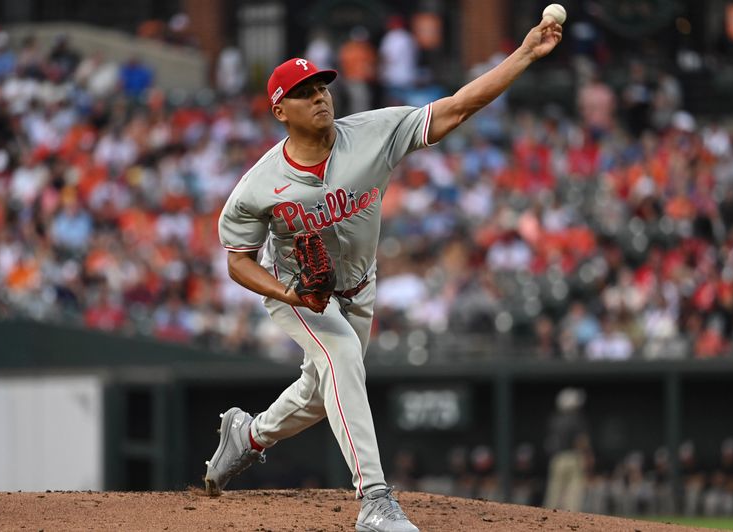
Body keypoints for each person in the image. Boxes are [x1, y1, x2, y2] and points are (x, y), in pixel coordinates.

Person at [205, 17, 562, 532]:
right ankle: (375, 499)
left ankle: (250, 434)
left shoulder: (373, 132)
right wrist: (287, 291)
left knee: (319, 390)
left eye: (322, 86)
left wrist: (525, 54)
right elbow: (238, 259)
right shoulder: (258, 186)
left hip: (358, 285)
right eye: (304, 93)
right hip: (298, 293)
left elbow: (458, 106)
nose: (320, 97)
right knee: (342, 355)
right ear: (280, 110)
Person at [543, 387, 591, 512]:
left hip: (557, 458)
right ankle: (571, 522)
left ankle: (546, 521)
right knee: (573, 493)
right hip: (573, 457)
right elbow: (581, 440)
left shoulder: (554, 420)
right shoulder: (576, 418)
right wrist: (587, 455)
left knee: (554, 492)